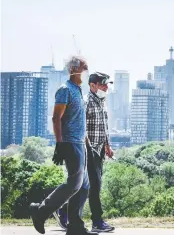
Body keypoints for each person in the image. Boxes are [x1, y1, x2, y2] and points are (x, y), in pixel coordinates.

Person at [30, 56, 97, 235]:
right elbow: (56, 118)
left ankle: (75, 226)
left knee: (83, 187)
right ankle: (41, 211)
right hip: (70, 143)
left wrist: (86, 143)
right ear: (73, 68)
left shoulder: (78, 90)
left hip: (80, 144)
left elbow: (79, 120)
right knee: (74, 184)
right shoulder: (65, 90)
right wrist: (60, 144)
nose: (86, 70)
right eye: (84, 66)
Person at [54, 72, 116, 232]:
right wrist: (89, 148)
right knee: (93, 186)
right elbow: (82, 128)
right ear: (92, 85)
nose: (105, 87)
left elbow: (103, 127)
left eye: (107, 84)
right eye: (102, 84)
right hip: (88, 150)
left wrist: (107, 146)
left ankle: (63, 211)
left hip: (99, 149)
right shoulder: (86, 102)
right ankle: (97, 221)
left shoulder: (102, 101)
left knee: (86, 186)